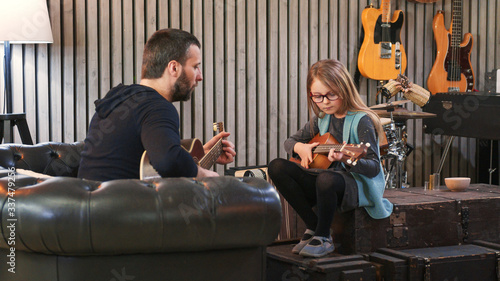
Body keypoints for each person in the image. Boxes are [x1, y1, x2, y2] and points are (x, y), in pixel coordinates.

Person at [268, 59, 393, 258]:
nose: (324, 102)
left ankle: (324, 236)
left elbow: (374, 167)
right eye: (317, 96)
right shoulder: (321, 119)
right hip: (323, 184)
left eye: (330, 95)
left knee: (326, 178)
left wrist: (346, 159)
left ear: (344, 90)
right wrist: (300, 147)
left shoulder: (362, 120)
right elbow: (289, 142)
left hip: (354, 187)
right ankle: (313, 226)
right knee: (276, 167)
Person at [78, 28, 236, 181]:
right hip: (122, 207)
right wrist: (207, 176)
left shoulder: (119, 100)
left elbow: (142, 158)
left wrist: (202, 154)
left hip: (89, 203)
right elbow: (168, 161)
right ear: (174, 68)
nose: (200, 76)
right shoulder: (157, 107)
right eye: (195, 67)